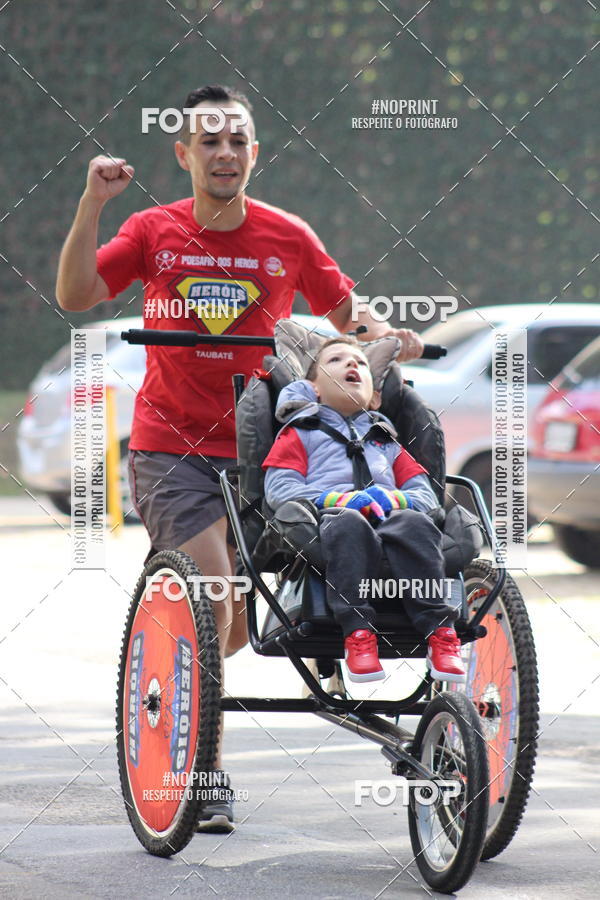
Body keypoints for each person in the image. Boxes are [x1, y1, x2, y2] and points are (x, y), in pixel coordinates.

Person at [55, 84, 424, 831]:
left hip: (267, 453)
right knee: (220, 595)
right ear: (184, 153)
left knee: (232, 617)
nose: (224, 154)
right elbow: (75, 293)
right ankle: (206, 768)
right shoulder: (153, 230)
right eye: (209, 142)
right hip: (172, 450)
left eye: (238, 142)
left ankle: (183, 655)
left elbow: (352, 315)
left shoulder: (288, 235)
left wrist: (391, 331)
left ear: (254, 154)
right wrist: (92, 203)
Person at [262, 337, 466, 683]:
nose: (352, 365)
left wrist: (396, 500)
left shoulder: (385, 440)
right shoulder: (300, 432)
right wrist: (335, 500)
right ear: (312, 387)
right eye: (337, 359)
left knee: (415, 523)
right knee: (348, 524)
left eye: (360, 362)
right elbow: (281, 490)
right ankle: (358, 632)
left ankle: (440, 633)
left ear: (374, 395)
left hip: (391, 519)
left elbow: (426, 493)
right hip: (330, 519)